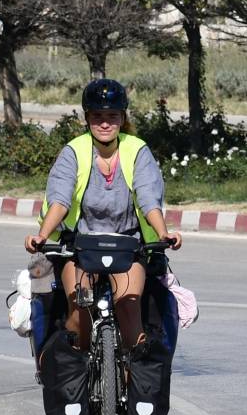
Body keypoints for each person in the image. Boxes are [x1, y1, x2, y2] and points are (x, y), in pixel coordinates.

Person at [24, 78, 182, 353]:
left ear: (122, 118)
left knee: (128, 306)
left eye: (112, 116)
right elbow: (59, 201)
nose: (105, 123)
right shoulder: (73, 152)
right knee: (79, 307)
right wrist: (42, 236)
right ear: (87, 118)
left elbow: (148, 200)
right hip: (79, 246)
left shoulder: (137, 150)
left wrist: (163, 233)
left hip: (128, 246)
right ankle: (78, 371)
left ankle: (133, 387)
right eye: (98, 116)